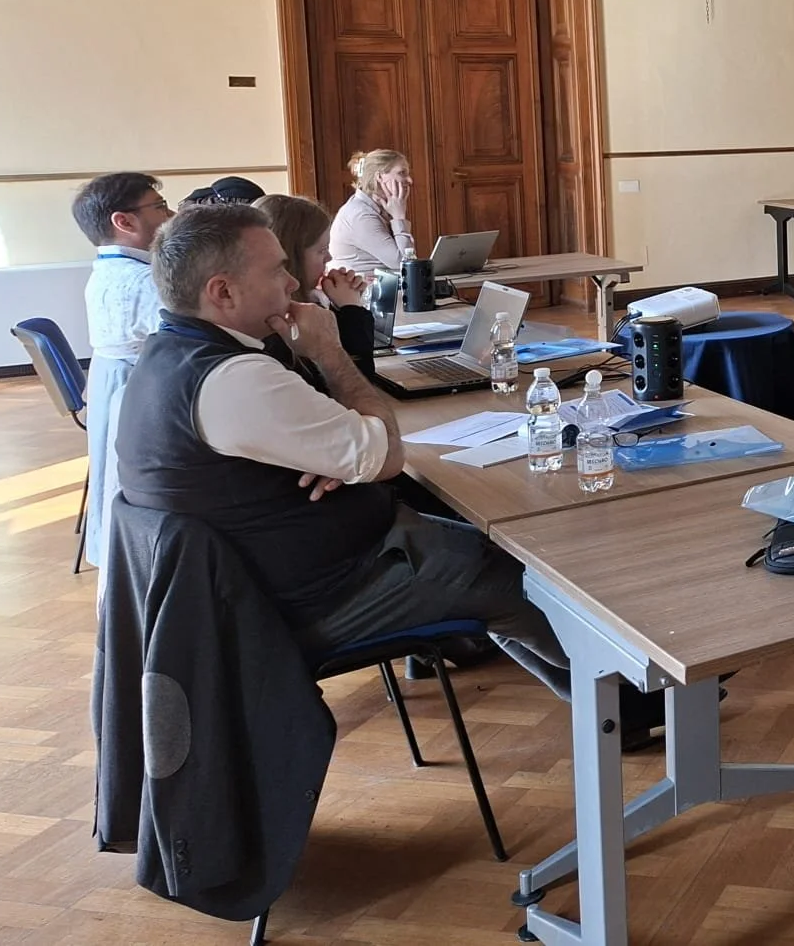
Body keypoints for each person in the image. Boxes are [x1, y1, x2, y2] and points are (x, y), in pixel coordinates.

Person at [113, 204, 570, 696]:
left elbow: (356, 443)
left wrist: (345, 450)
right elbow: (386, 455)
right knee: (532, 581)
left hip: (295, 571)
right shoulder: (233, 379)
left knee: (497, 553)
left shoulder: (173, 354)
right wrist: (329, 352)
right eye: (277, 270)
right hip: (318, 595)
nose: (292, 282)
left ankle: (598, 699)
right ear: (223, 291)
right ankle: (613, 705)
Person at [72, 172, 175, 568]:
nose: (171, 214)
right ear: (124, 221)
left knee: (115, 480)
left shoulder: (113, 269)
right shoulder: (142, 281)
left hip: (116, 381)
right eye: (159, 206)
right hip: (136, 388)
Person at [253, 192, 376, 381]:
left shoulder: (298, 305)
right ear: (291, 257)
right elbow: (357, 382)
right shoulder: (279, 329)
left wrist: (340, 308)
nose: (329, 257)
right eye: (322, 250)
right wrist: (352, 311)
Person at [328, 149, 416, 277]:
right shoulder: (360, 215)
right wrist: (399, 217)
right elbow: (406, 265)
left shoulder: (379, 207)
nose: (409, 180)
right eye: (402, 173)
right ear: (379, 177)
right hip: (362, 288)